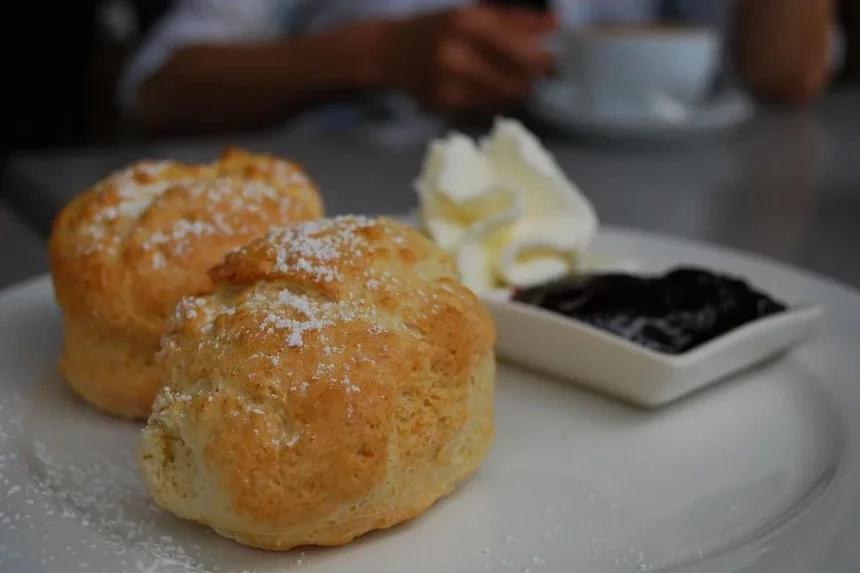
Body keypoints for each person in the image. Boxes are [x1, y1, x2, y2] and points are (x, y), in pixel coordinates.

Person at [118, 0, 838, 136]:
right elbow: (158, 88)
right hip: (357, 179)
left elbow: (786, 70)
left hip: (642, 207)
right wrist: (377, 55)